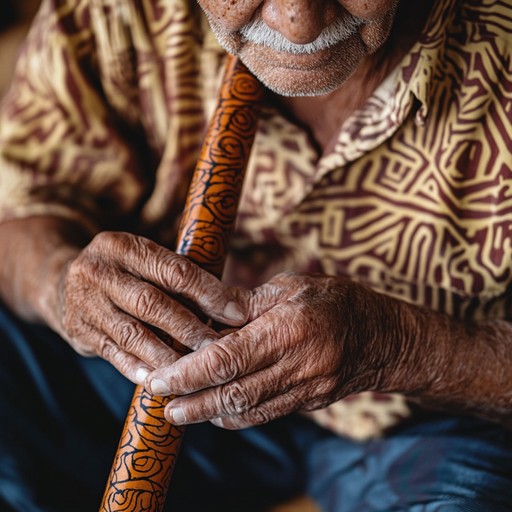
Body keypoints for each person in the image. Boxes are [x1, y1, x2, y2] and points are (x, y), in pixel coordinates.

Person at [0, 0, 511, 510]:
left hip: (434, 416)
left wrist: (399, 347)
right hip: (161, 389)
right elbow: (17, 210)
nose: (299, 21)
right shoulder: (117, 11)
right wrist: (57, 277)